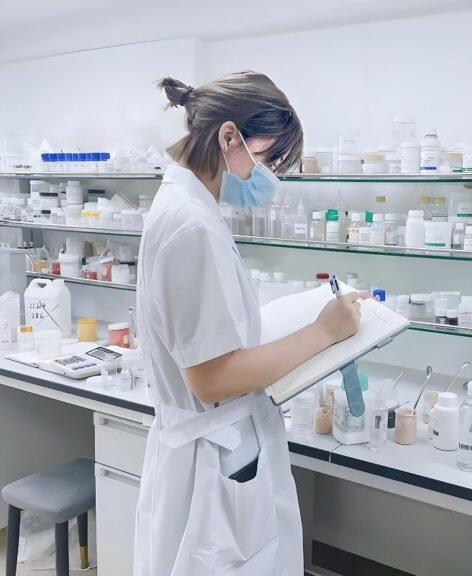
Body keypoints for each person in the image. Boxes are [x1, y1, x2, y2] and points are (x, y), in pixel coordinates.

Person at [134, 72, 360, 576]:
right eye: (266, 157)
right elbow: (210, 377)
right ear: (229, 136)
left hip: (224, 450)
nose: (268, 174)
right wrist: (323, 332)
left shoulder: (196, 208)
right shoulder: (189, 223)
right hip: (210, 464)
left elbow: (211, 342)